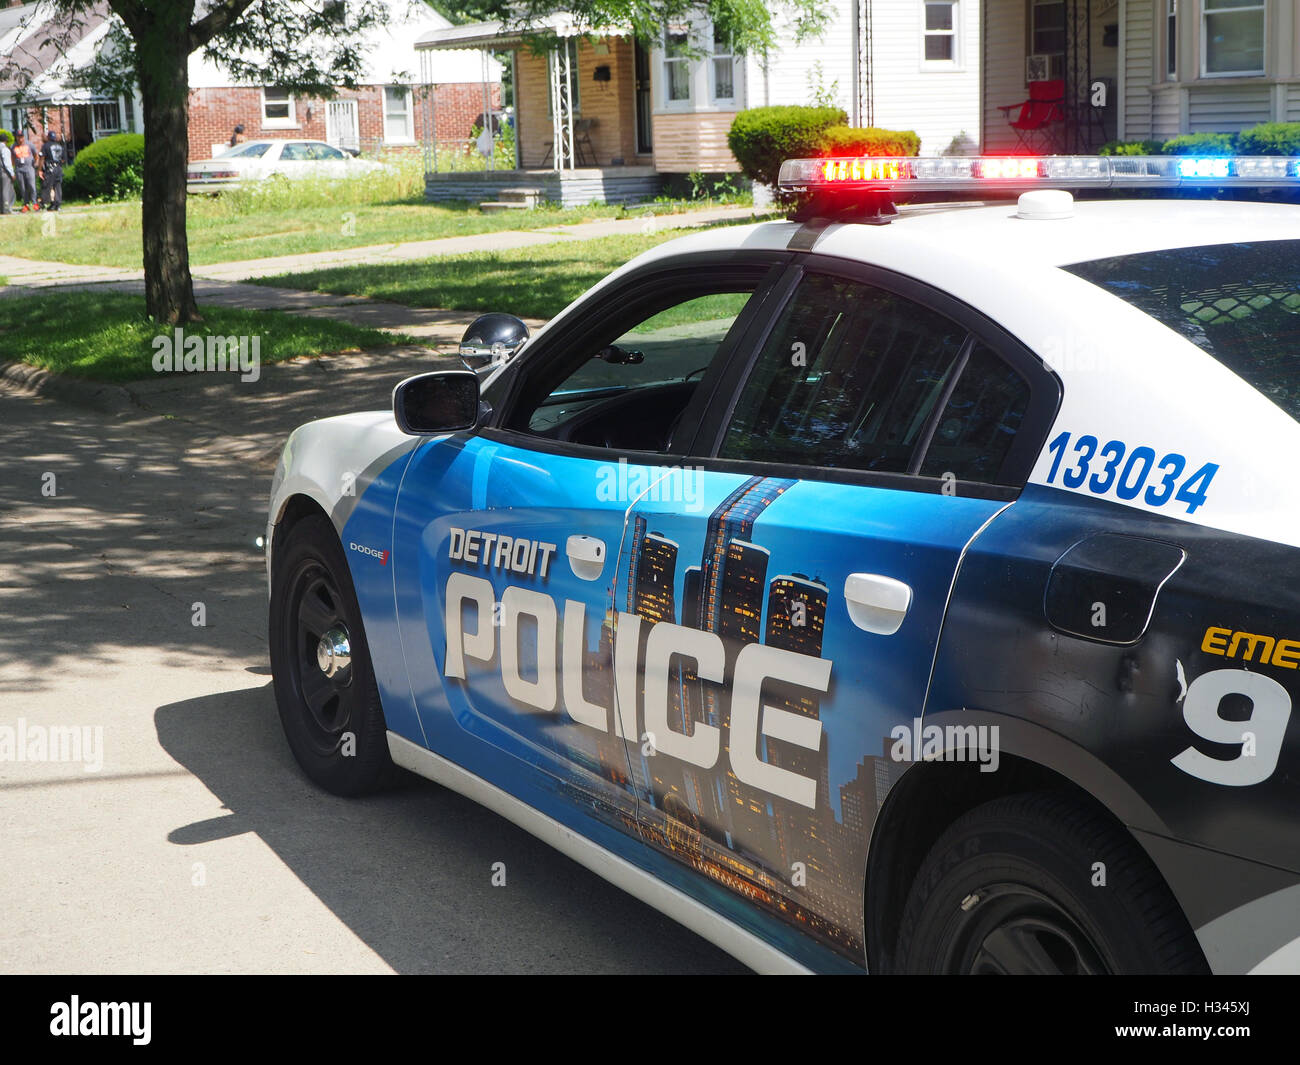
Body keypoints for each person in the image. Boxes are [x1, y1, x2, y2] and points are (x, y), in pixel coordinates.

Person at [38, 128, 64, 211]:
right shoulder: (60, 146)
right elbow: (63, 159)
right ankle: (57, 204)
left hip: (50, 168)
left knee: (47, 186)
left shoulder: (46, 146)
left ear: (48, 137)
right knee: (57, 186)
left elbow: (42, 158)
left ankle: (43, 203)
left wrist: (39, 170)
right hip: (59, 168)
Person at [12, 131, 38, 211]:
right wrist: (13, 168)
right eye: (18, 137)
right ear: (16, 137)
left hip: (29, 168)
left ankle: (34, 203)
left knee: (32, 186)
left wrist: (34, 164)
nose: (20, 138)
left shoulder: (29, 144)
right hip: (19, 169)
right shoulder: (13, 146)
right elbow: (12, 158)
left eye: (21, 136)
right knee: (22, 188)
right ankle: (26, 204)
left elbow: (35, 155)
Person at [0, 135, 13, 215]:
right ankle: (6, 209)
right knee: (5, 190)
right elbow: (7, 163)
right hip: (3, 172)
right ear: (6, 141)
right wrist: (12, 173)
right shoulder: (5, 149)